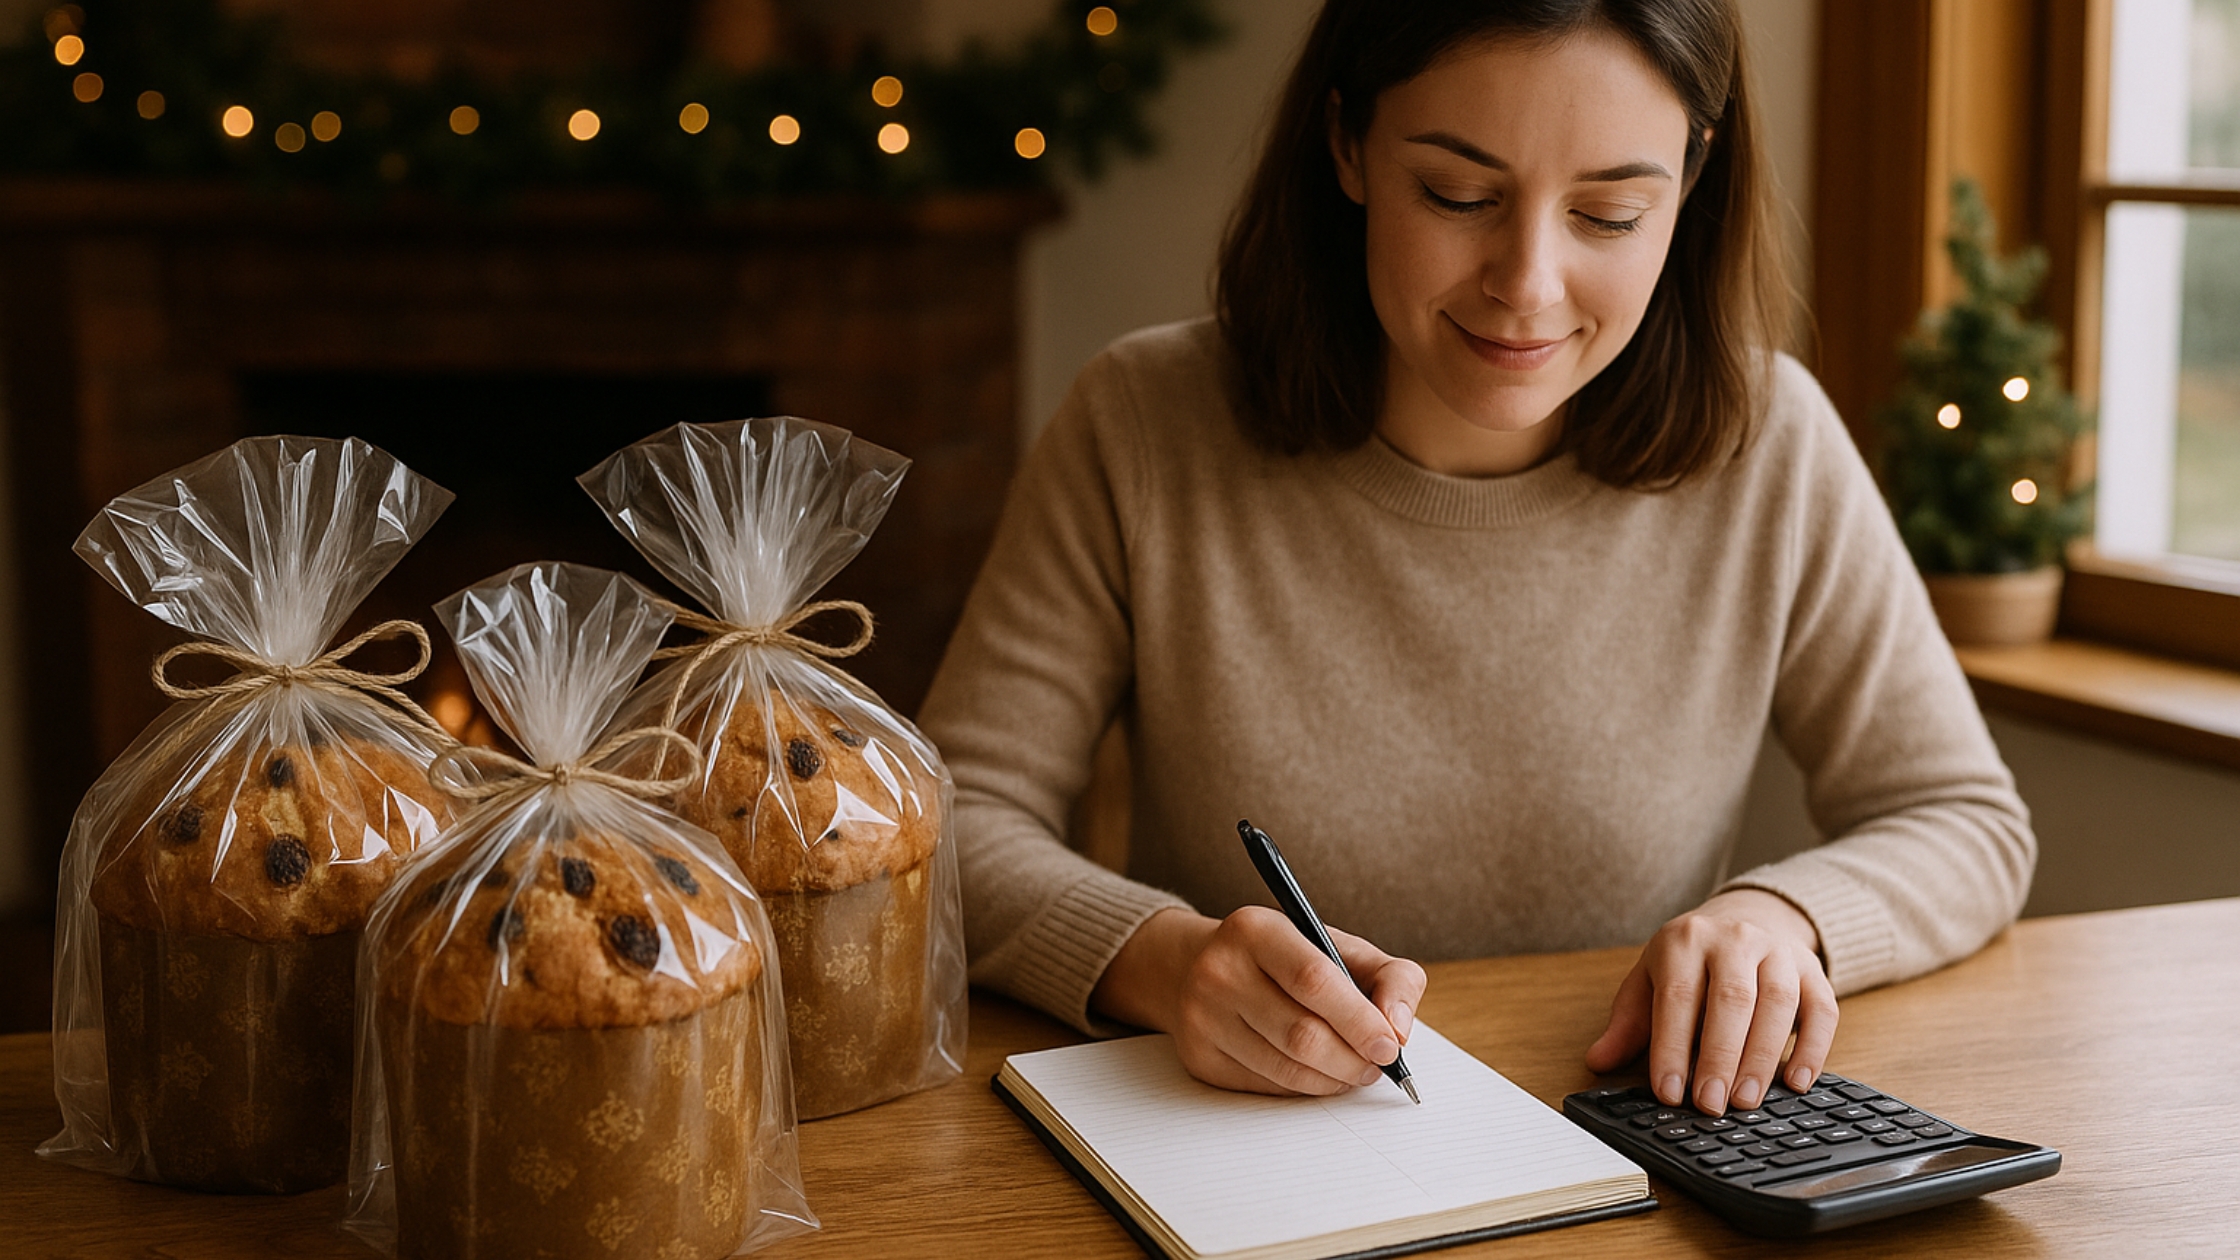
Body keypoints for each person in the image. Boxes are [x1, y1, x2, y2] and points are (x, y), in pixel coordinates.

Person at [919, 0, 2034, 1119]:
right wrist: (1163, 962)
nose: (1527, 284)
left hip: (1629, 1153)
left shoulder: (1768, 443)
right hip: (1246, 1147)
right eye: (1457, 195)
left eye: (1607, 213)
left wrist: (1780, 920)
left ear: (1689, 181)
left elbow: (1961, 818)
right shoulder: (1142, 422)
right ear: (1346, 143)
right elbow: (951, 820)